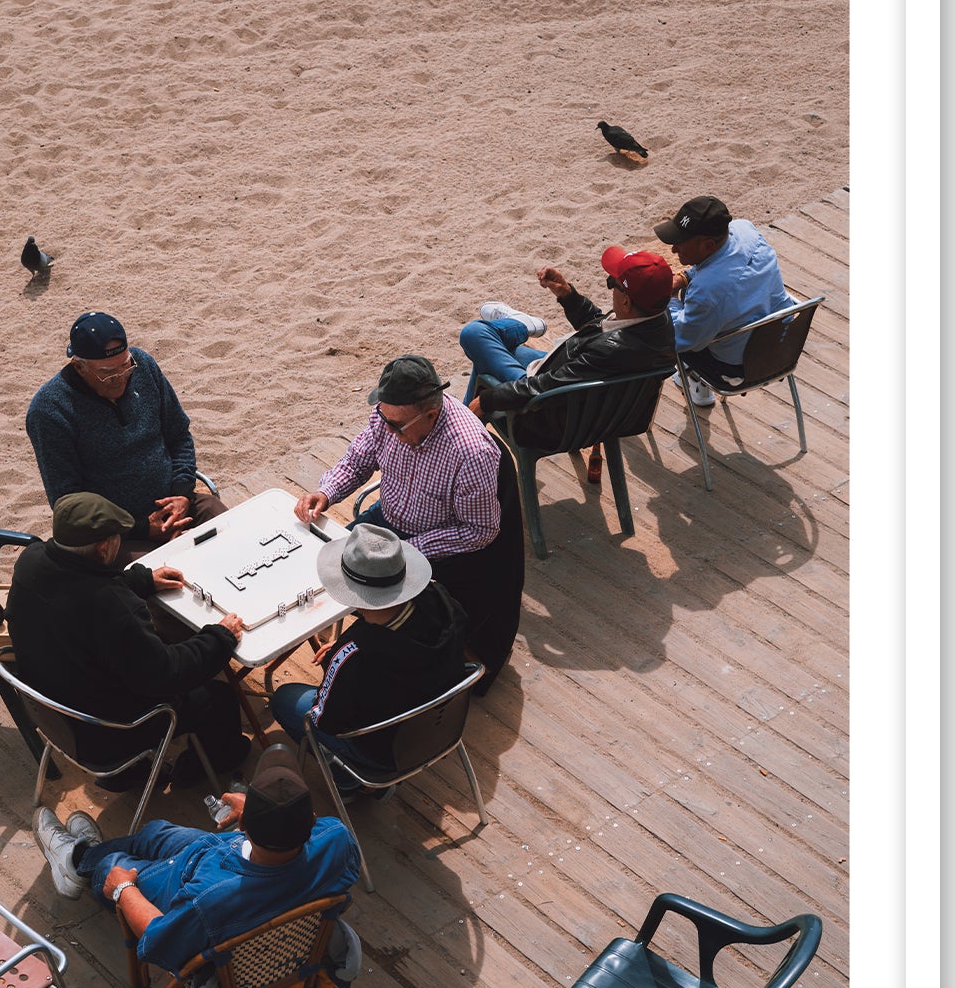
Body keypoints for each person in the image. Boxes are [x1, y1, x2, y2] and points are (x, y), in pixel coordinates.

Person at [32, 756, 363, 988]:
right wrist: (262, 811)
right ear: (312, 820)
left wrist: (123, 889)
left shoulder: (209, 899)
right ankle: (86, 856)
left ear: (243, 825)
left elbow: (159, 939)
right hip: (225, 859)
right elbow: (316, 836)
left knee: (112, 866)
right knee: (155, 833)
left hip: (195, 884)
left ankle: (77, 861)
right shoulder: (337, 839)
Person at [292, 353, 520, 690]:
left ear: (430, 415)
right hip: (384, 522)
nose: (386, 428)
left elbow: (480, 530)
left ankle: (351, 656)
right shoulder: (389, 414)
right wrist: (327, 492)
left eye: (396, 426)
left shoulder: (472, 453)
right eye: (383, 418)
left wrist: (408, 551)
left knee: (379, 619)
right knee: (315, 568)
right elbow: (358, 460)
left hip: (435, 548)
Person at [4, 491, 252, 786]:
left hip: (50, 708)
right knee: (218, 697)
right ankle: (210, 764)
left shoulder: (30, 560)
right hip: (107, 731)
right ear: (104, 548)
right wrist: (219, 637)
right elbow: (169, 675)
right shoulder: (116, 609)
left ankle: (130, 774)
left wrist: (141, 580)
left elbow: (76, 586)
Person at [269, 523, 469, 797]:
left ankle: (348, 780)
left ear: (352, 592)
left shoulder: (353, 653)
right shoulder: (445, 602)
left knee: (284, 699)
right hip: (439, 728)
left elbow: (325, 721)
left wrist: (337, 662)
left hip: (382, 750)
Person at [25, 310, 227, 558]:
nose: (121, 378)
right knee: (162, 574)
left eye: (125, 366)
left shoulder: (143, 365)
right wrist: (140, 528)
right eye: (108, 373)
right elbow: (68, 502)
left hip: (175, 503)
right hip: (114, 533)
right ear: (78, 367)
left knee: (231, 529)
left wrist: (181, 494)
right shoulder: (50, 411)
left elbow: (179, 436)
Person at [458, 244, 679, 452]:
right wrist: (568, 296)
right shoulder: (657, 321)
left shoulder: (609, 351)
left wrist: (488, 400)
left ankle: (521, 326)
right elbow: (602, 328)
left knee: (475, 335)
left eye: (612, 282)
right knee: (488, 352)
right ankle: (460, 429)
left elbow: (546, 388)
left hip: (546, 418)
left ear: (626, 302)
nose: (611, 285)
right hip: (592, 406)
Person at [652, 195, 795, 406]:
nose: (674, 249)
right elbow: (722, 266)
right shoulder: (745, 230)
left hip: (738, 368)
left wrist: (669, 298)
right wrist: (684, 277)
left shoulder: (707, 293)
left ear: (708, 246)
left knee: (658, 328)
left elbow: (678, 340)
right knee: (704, 305)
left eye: (680, 243)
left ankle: (698, 382)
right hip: (783, 344)